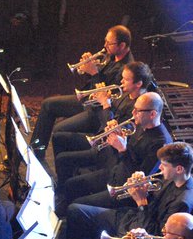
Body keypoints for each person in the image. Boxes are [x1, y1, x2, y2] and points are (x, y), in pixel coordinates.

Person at [65, 143, 193, 239]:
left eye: (164, 165)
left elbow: (156, 236)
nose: (160, 168)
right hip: (131, 219)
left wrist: (141, 202)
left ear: (179, 169)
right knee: (75, 210)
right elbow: (153, 202)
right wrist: (141, 185)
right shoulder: (172, 177)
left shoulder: (183, 204)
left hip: (137, 235)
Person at [51, 63, 156, 200]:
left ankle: (64, 198)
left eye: (125, 79)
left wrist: (106, 105)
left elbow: (112, 130)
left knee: (67, 166)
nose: (121, 82)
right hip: (103, 144)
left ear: (138, 84)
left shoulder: (139, 109)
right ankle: (61, 191)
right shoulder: (125, 95)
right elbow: (104, 122)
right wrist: (101, 101)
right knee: (60, 145)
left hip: (110, 156)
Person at [58, 90, 171, 214]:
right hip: (116, 172)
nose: (133, 114)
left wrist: (123, 149)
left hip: (125, 190)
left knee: (78, 205)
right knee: (71, 184)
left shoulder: (161, 144)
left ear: (152, 114)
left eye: (137, 111)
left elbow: (139, 180)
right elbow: (125, 155)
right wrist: (116, 136)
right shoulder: (141, 124)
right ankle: (60, 216)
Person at [31, 25, 134, 153]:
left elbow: (105, 96)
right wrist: (88, 65)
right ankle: (36, 150)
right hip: (87, 100)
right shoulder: (111, 55)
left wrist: (94, 73)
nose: (105, 45)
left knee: (59, 130)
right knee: (48, 104)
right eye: (105, 41)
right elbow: (95, 82)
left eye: (109, 43)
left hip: (98, 112)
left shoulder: (126, 69)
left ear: (122, 45)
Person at [30, 0, 66, 78]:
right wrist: (36, 23)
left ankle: (52, 71)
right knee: (41, 48)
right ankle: (40, 71)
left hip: (54, 24)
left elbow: (62, 6)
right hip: (42, 24)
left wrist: (60, 22)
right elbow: (35, 8)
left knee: (53, 48)